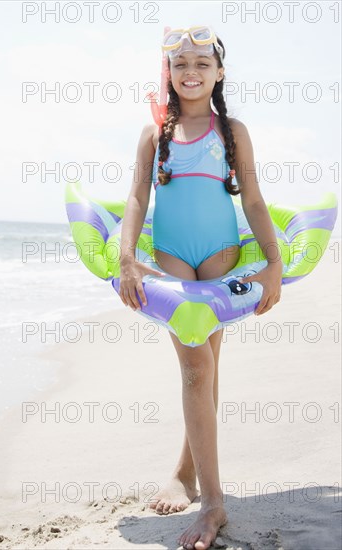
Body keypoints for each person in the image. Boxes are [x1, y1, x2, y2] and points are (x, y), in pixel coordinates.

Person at [118, 26, 283, 550]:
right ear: (167, 73)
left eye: (201, 63)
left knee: (204, 363)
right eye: (180, 63)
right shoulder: (154, 135)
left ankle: (192, 479)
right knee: (197, 367)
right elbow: (137, 200)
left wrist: (274, 263)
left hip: (220, 256)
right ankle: (211, 499)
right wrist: (127, 258)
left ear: (219, 72)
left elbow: (253, 202)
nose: (191, 71)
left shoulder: (231, 130)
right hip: (170, 258)